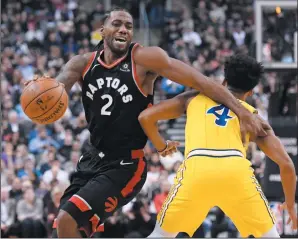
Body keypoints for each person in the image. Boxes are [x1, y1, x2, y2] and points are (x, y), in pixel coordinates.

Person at [28, 8, 266, 238]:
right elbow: (57, 87)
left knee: (70, 218)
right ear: (102, 30)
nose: (123, 30)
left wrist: (241, 112)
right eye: (117, 24)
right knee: (62, 225)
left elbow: (201, 82)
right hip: (92, 158)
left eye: (129, 26)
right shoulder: (82, 63)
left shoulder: (144, 59)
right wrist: (44, 93)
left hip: (125, 164)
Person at [138, 54, 297, 238]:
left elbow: (145, 117)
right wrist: (290, 205)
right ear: (251, 92)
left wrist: (161, 145)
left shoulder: (193, 98)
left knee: (161, 235)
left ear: (223, 81)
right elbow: (287, 165)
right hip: (235, 171)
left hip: (197, 168)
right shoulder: (252, 118)